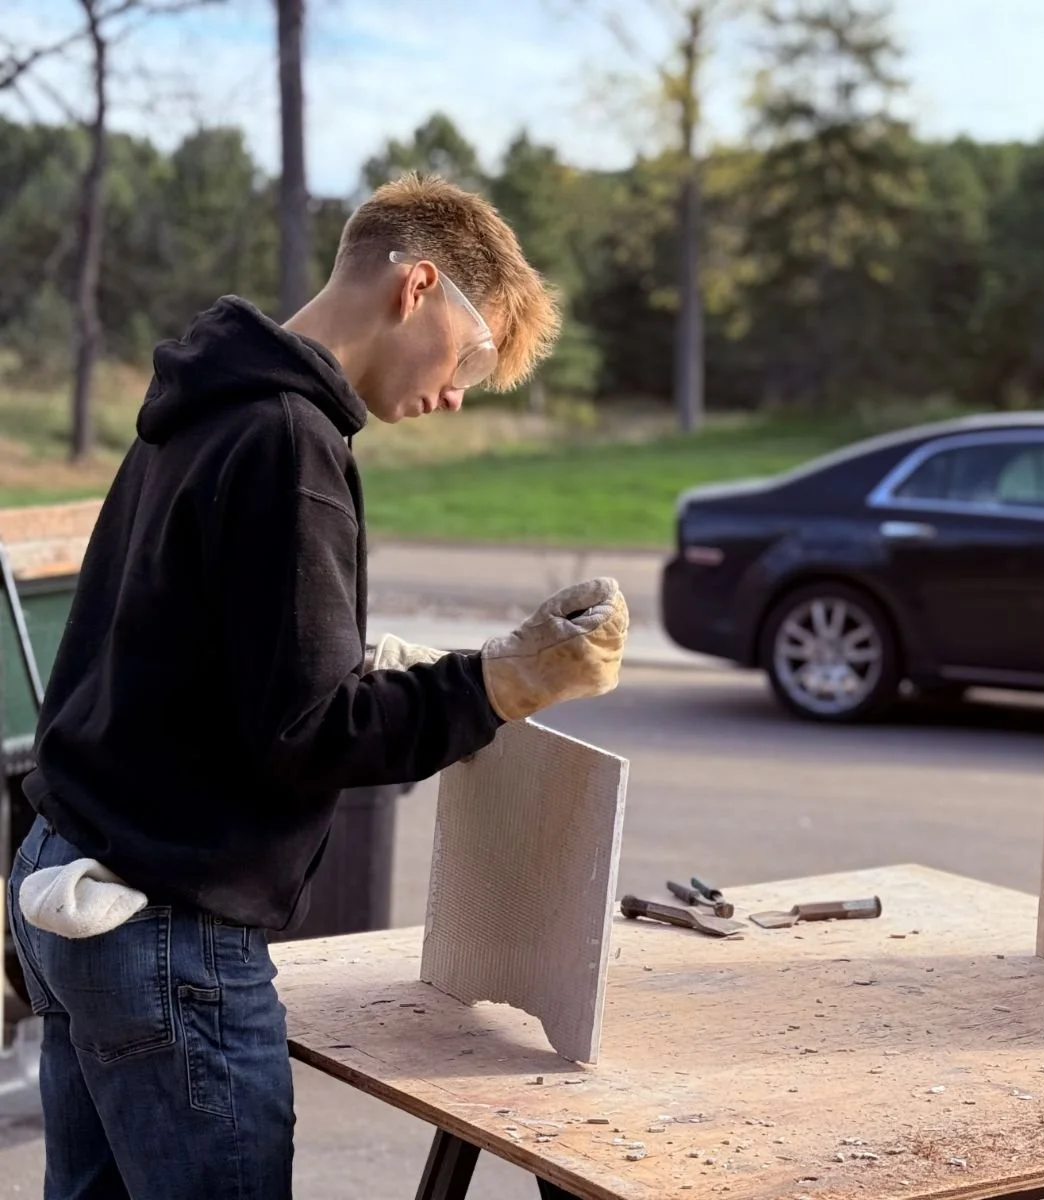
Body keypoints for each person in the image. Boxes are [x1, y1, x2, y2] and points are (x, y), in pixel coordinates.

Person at [5, 172, 629, 1200]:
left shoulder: (196, 405)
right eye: (474, 357)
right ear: (417, 285)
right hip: (166, 925)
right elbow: (308, 733)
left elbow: (179, 660)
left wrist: (385, 668)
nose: (456, 394)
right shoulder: (289, 443)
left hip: (72, 886)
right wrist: (504, 684)